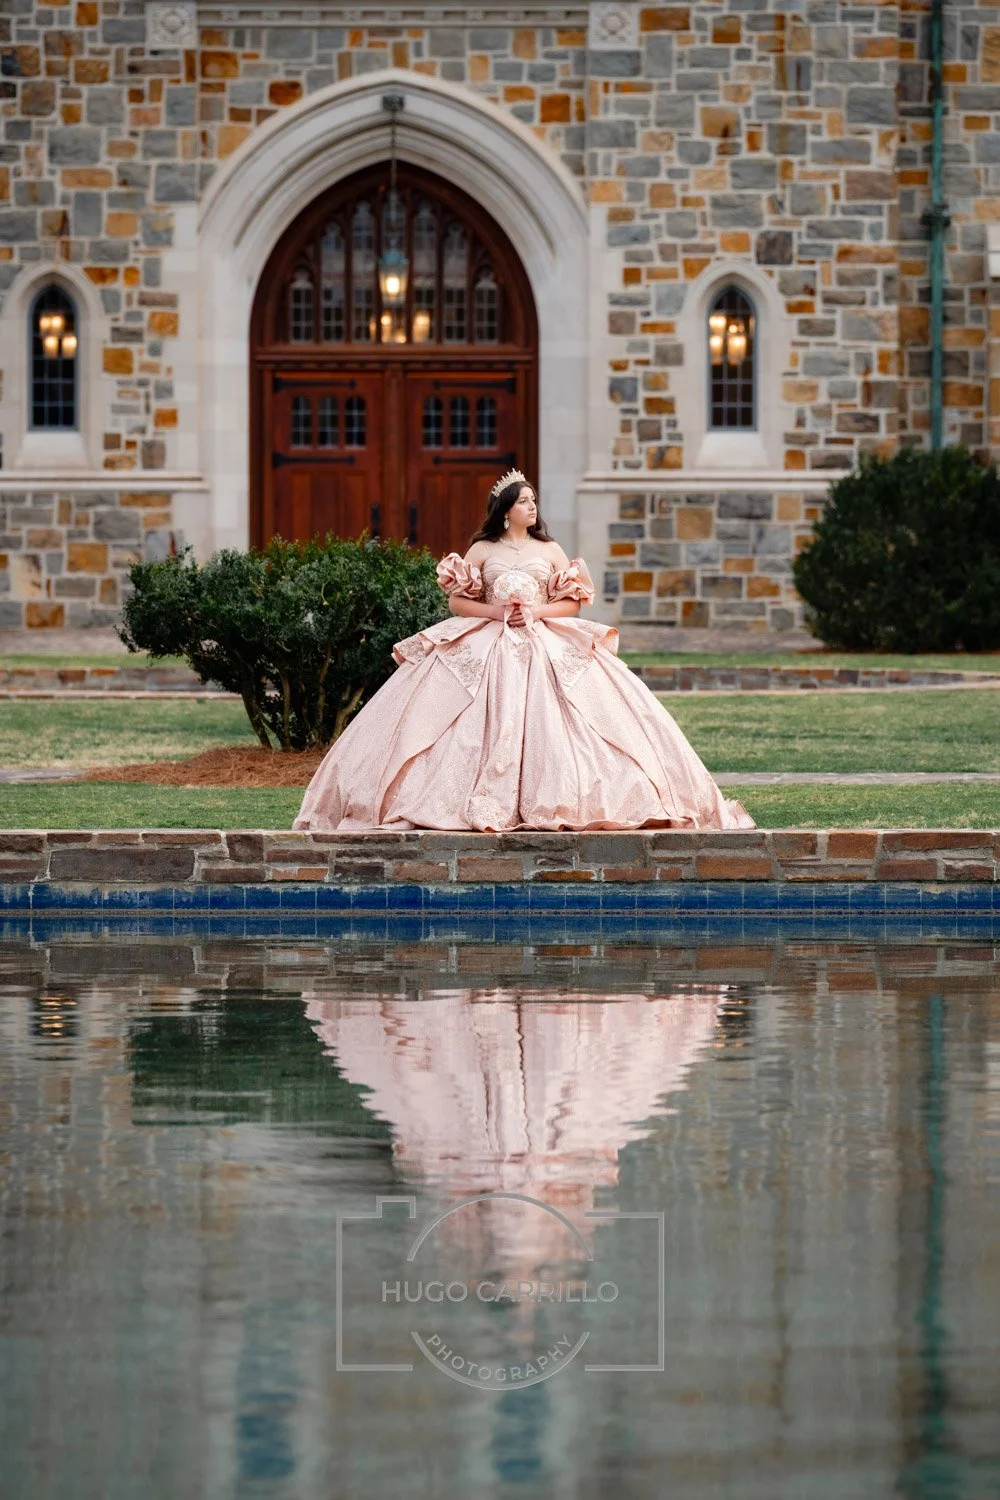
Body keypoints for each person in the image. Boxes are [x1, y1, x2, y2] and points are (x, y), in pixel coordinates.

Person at [294, 469, 754, 832]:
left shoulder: (551, 550)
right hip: (489, 640)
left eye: (534, 500)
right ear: (507, 509)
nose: (533, 506)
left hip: (543, 639)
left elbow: (572, 601)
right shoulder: (481, 550)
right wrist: (496, 615)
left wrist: (536, 613)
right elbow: (457, 601)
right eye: (525, 501)